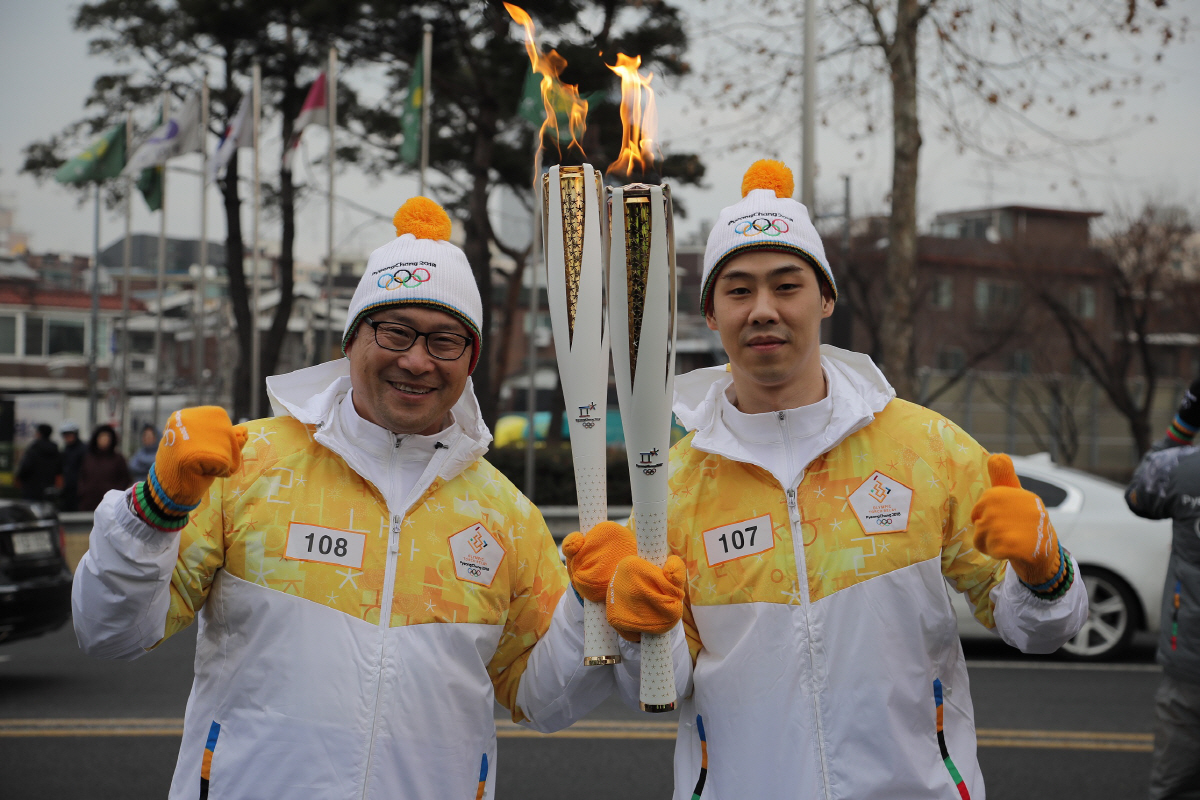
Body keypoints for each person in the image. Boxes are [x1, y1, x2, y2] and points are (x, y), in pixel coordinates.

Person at [565, 160, 1090, 800]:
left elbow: (1038, 632)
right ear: (710, 313)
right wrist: (646, 627)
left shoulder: (926, 449)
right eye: (738, 290)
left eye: (787, 286)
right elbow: (662, 689)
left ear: (826, 299)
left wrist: (1044, 574)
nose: (763, 310)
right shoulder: (672, 488)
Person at [71, 198, 614, 800]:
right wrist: (153, 510)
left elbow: (544, 702)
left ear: (471, 359)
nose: (416, 359)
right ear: (352, 338)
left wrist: (590, 609)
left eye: (444, 340)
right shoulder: (247, 466)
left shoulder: (505, 515)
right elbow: (108, 633)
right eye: (395, 330)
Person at [1125, 377, 1200, 799]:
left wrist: (1186, 420)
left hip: (1190, 659)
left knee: (1176, 785)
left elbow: (1139, 492)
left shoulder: (1184, 472)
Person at [76, 424, 131, 512]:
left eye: (107, 437)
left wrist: (116, 495)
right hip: (88, 503)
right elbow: (82, 476)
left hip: (110, 505)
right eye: (102, 437)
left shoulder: (118, 459)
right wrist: (83, 491)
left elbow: (125, 479)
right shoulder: (88, 458)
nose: (104, 440)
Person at [16, 423, 61, 502]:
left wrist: (19, 478)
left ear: (39, 433)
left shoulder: (33, 449)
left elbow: (25, 467)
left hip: (31, 490)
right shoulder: (55, 450)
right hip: (48, 491)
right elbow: (59, 469)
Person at [59, 420, 86, 512]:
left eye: (70, 434)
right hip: (67, 489)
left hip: (79, 489)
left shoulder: (83, 449)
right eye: (65, 435)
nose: (67, 437)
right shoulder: (66, 449)